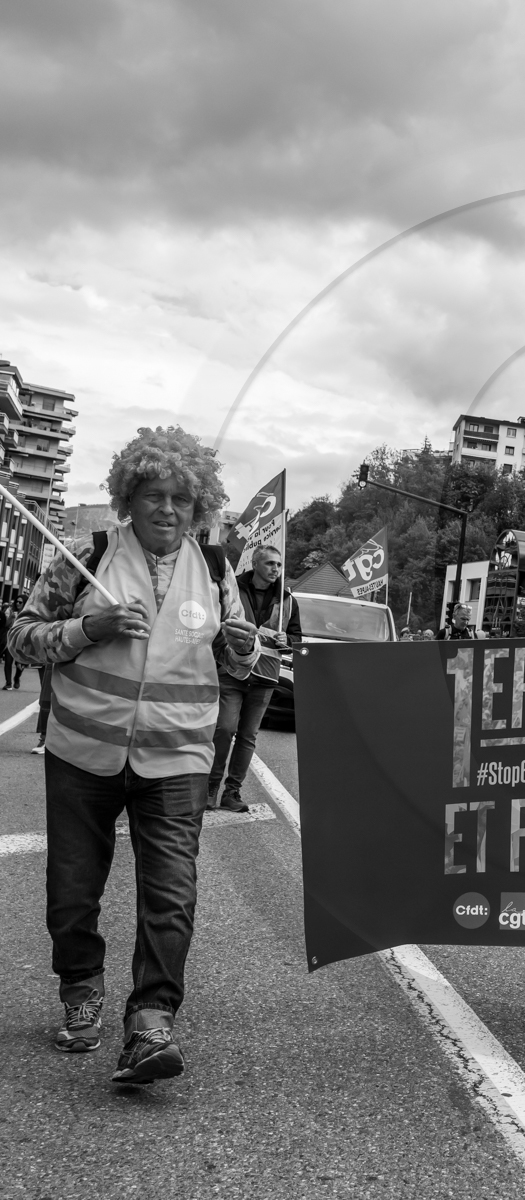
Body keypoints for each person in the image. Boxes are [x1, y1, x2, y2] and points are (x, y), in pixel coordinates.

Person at [7, 425, 260, 1086]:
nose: (167, 509)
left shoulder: (214, 567)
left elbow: (246, 658)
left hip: (176, 762)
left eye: (181, 498)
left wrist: (244, 644)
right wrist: (88, 628)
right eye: (153, 495)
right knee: (72, 889)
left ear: (199, 505)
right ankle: (81, 992)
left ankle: (151, 1021)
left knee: (171, 894)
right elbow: (22, 638)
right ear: (129, 497)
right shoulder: (86, 554)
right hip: (82, 755)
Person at [208, 544, 302, 812]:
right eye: (271, 563)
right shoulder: (232, 588)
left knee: (248, 736)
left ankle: (232, 792)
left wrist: (289, 639)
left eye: (279, 565)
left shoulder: (288, 600)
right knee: (225, 729)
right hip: (231, 669)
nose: (276, 569)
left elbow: (297, 638)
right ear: (255, 563)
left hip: (266, 674)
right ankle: (211, 788)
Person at [2, 597, 25, 690]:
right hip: (10, 640)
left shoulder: (27, 612)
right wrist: (11, 618)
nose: (18, 604)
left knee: (20, 664)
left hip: (21, 641)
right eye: (17, 602)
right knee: (8, 661)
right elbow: (5, 625)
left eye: (20, 602)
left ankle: (17, 678)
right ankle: (8, 683)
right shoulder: (10, 611)